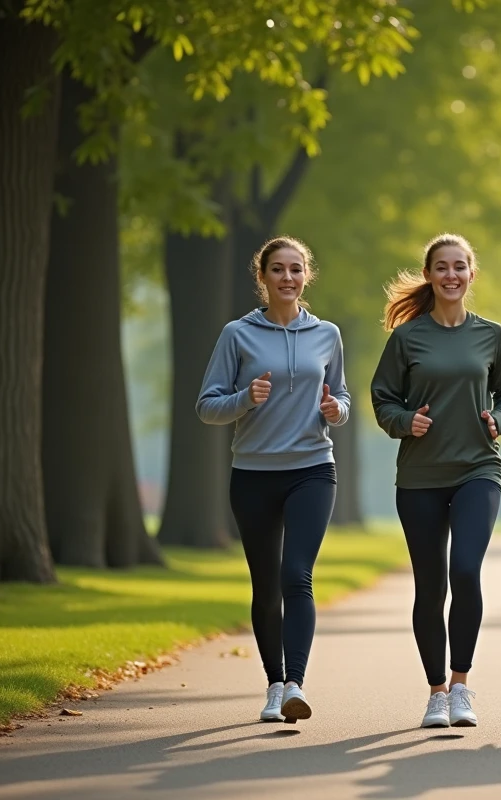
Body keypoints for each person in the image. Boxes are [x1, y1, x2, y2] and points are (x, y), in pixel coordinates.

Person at [196, 236, 351, 725]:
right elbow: (207, 407)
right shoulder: (236, 335)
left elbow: (342, 396)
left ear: (307, 276)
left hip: (312, 469)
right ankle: (272, 682)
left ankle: (295, 685)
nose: (288, 277)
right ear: (262, 277)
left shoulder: (327, 333)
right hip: (254, 474)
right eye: (278, 270)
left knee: (295, 575)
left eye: (297, 269)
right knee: (265, 584)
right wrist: (245, 398)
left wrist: (336, 410)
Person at [370, 233, 501, 729]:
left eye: (460, 267)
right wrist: (405, 421)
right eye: (442, 267)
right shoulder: (407, 339)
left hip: (479, 468)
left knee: (465, 569)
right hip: (419, 476)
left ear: (471, 275)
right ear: (429, 275)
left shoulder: (491, 335)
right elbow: (383, 400)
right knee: (430, 585)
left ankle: (460, 685)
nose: (451, 275)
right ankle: (436, 691)